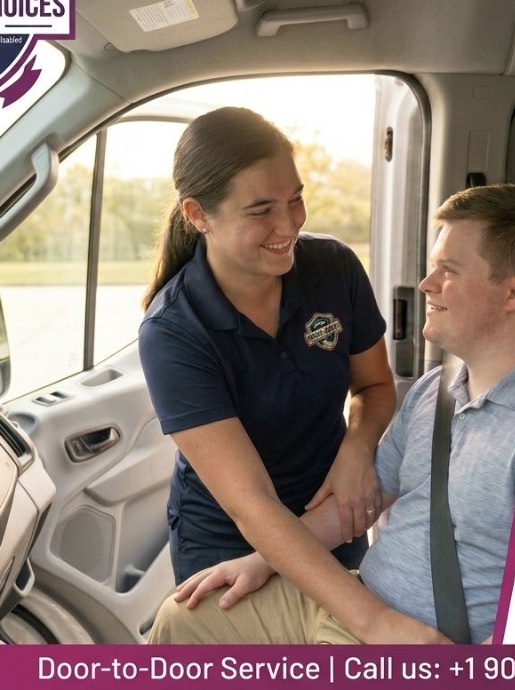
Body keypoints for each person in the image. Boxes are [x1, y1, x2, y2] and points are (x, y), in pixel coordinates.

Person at [150, 182, 515, 645]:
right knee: (184, 618)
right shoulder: (436, 390)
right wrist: (262, 560)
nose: (427, 283)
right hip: (359, 604)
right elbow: (359, 501)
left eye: (449, 271)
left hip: (423, 645)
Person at [138, 106, 398, 589]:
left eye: (295, 199)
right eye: (261, 210)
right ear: (198, 215)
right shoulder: (174, 330)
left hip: (331, 512)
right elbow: (251, 503)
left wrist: (356, 450)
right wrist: (378, 625)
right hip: (229, 539)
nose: (289, 225)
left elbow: (376, 385)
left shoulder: (333, 268)